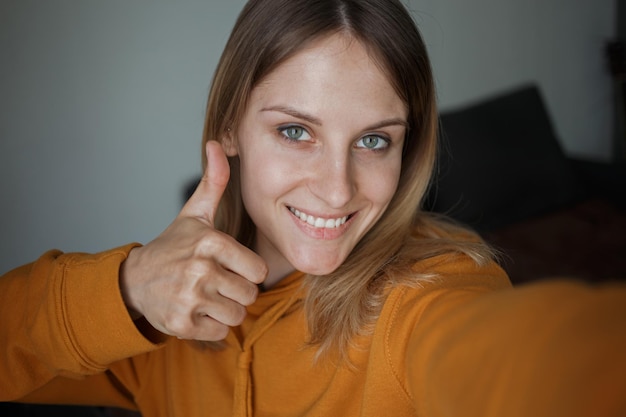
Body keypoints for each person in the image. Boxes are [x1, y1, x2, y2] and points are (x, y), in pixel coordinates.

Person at [1, 0, 625, 416]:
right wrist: (127, 288)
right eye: (296, 131)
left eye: (374, 140)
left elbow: (528, 359)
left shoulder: (423, 295)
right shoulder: (162, 316)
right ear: (229, 128)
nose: (336, 189)